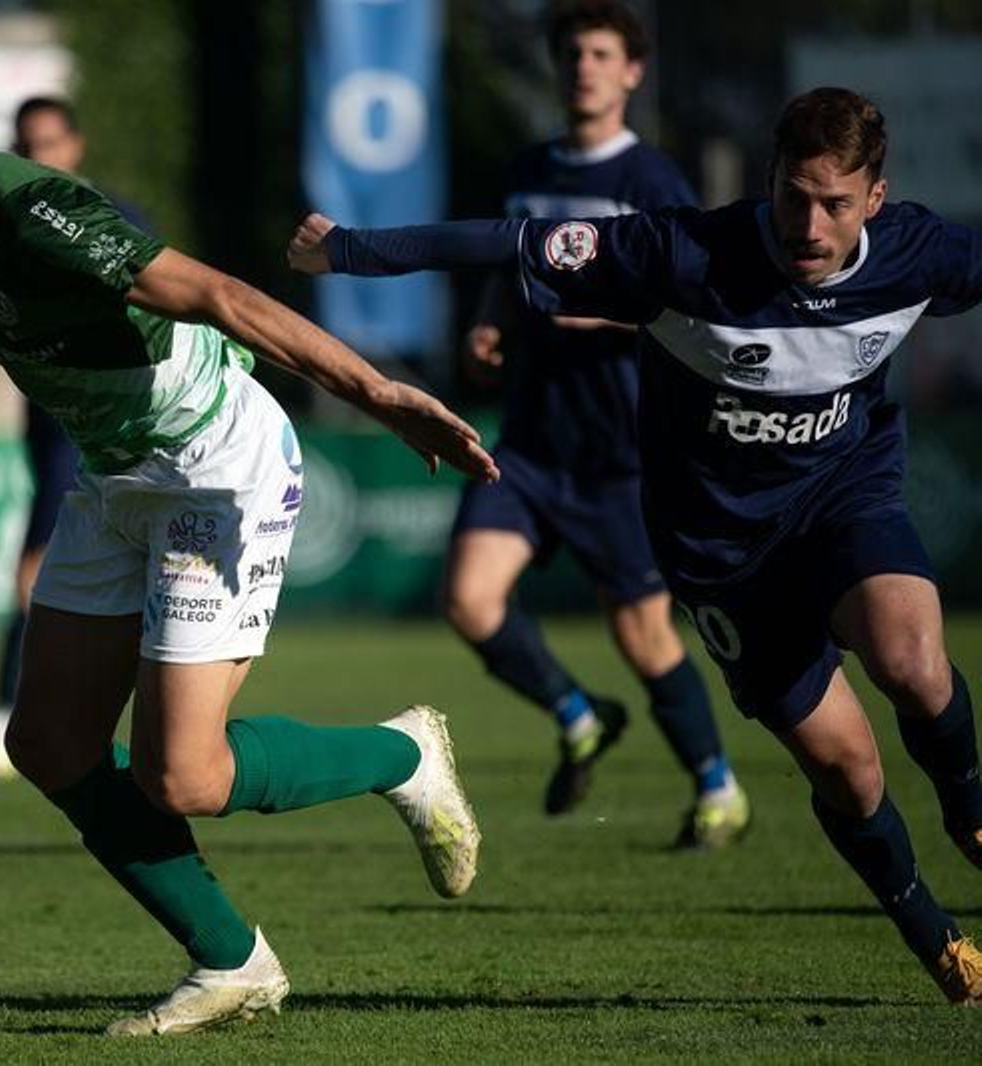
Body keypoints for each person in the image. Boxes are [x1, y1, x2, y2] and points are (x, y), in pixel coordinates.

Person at [0, 29, 493, 1035]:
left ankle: (402, 755)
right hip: (119, 475)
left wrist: (379, 392)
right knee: (46, 740)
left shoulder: (34, 210)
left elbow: (217, 294)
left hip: (219, 466)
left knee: (183, 775)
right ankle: (233, 962)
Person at [287, 87, 982, 1004]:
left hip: (842, 497)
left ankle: (970, 811)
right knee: (849, 770)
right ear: (770, 181)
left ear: (877, 199)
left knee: (913, 659)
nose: (810, 224)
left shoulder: (922, 254)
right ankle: (937, 939)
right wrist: (346, 250)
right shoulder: (679, 252)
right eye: (793, 197)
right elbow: (505, 241)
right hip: (721, 550)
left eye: (836, 204)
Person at [446, 0, 748, 843]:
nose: (584, 65)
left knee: (643, 635)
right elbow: (506, 269)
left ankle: (719, 788)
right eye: (572, 51)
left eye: (601, 53)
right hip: (532, 444)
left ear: (631, 72)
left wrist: (613, 314)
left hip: (621, 450)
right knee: (469, 600)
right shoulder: (531, 168)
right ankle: (578, 714)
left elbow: (700, 301)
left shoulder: (652, 184)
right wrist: (489, 325)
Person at [0, 96, 150, 781]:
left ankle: (7, 719)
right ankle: (50, 716)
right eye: (27, 144)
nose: (39, 156)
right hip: (47, 423)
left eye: (49, 142)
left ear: (75, 146)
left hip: (99, 421)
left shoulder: (116, 220)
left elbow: (168, 300)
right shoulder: (7, 224)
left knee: (34, 573)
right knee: (64, 573)